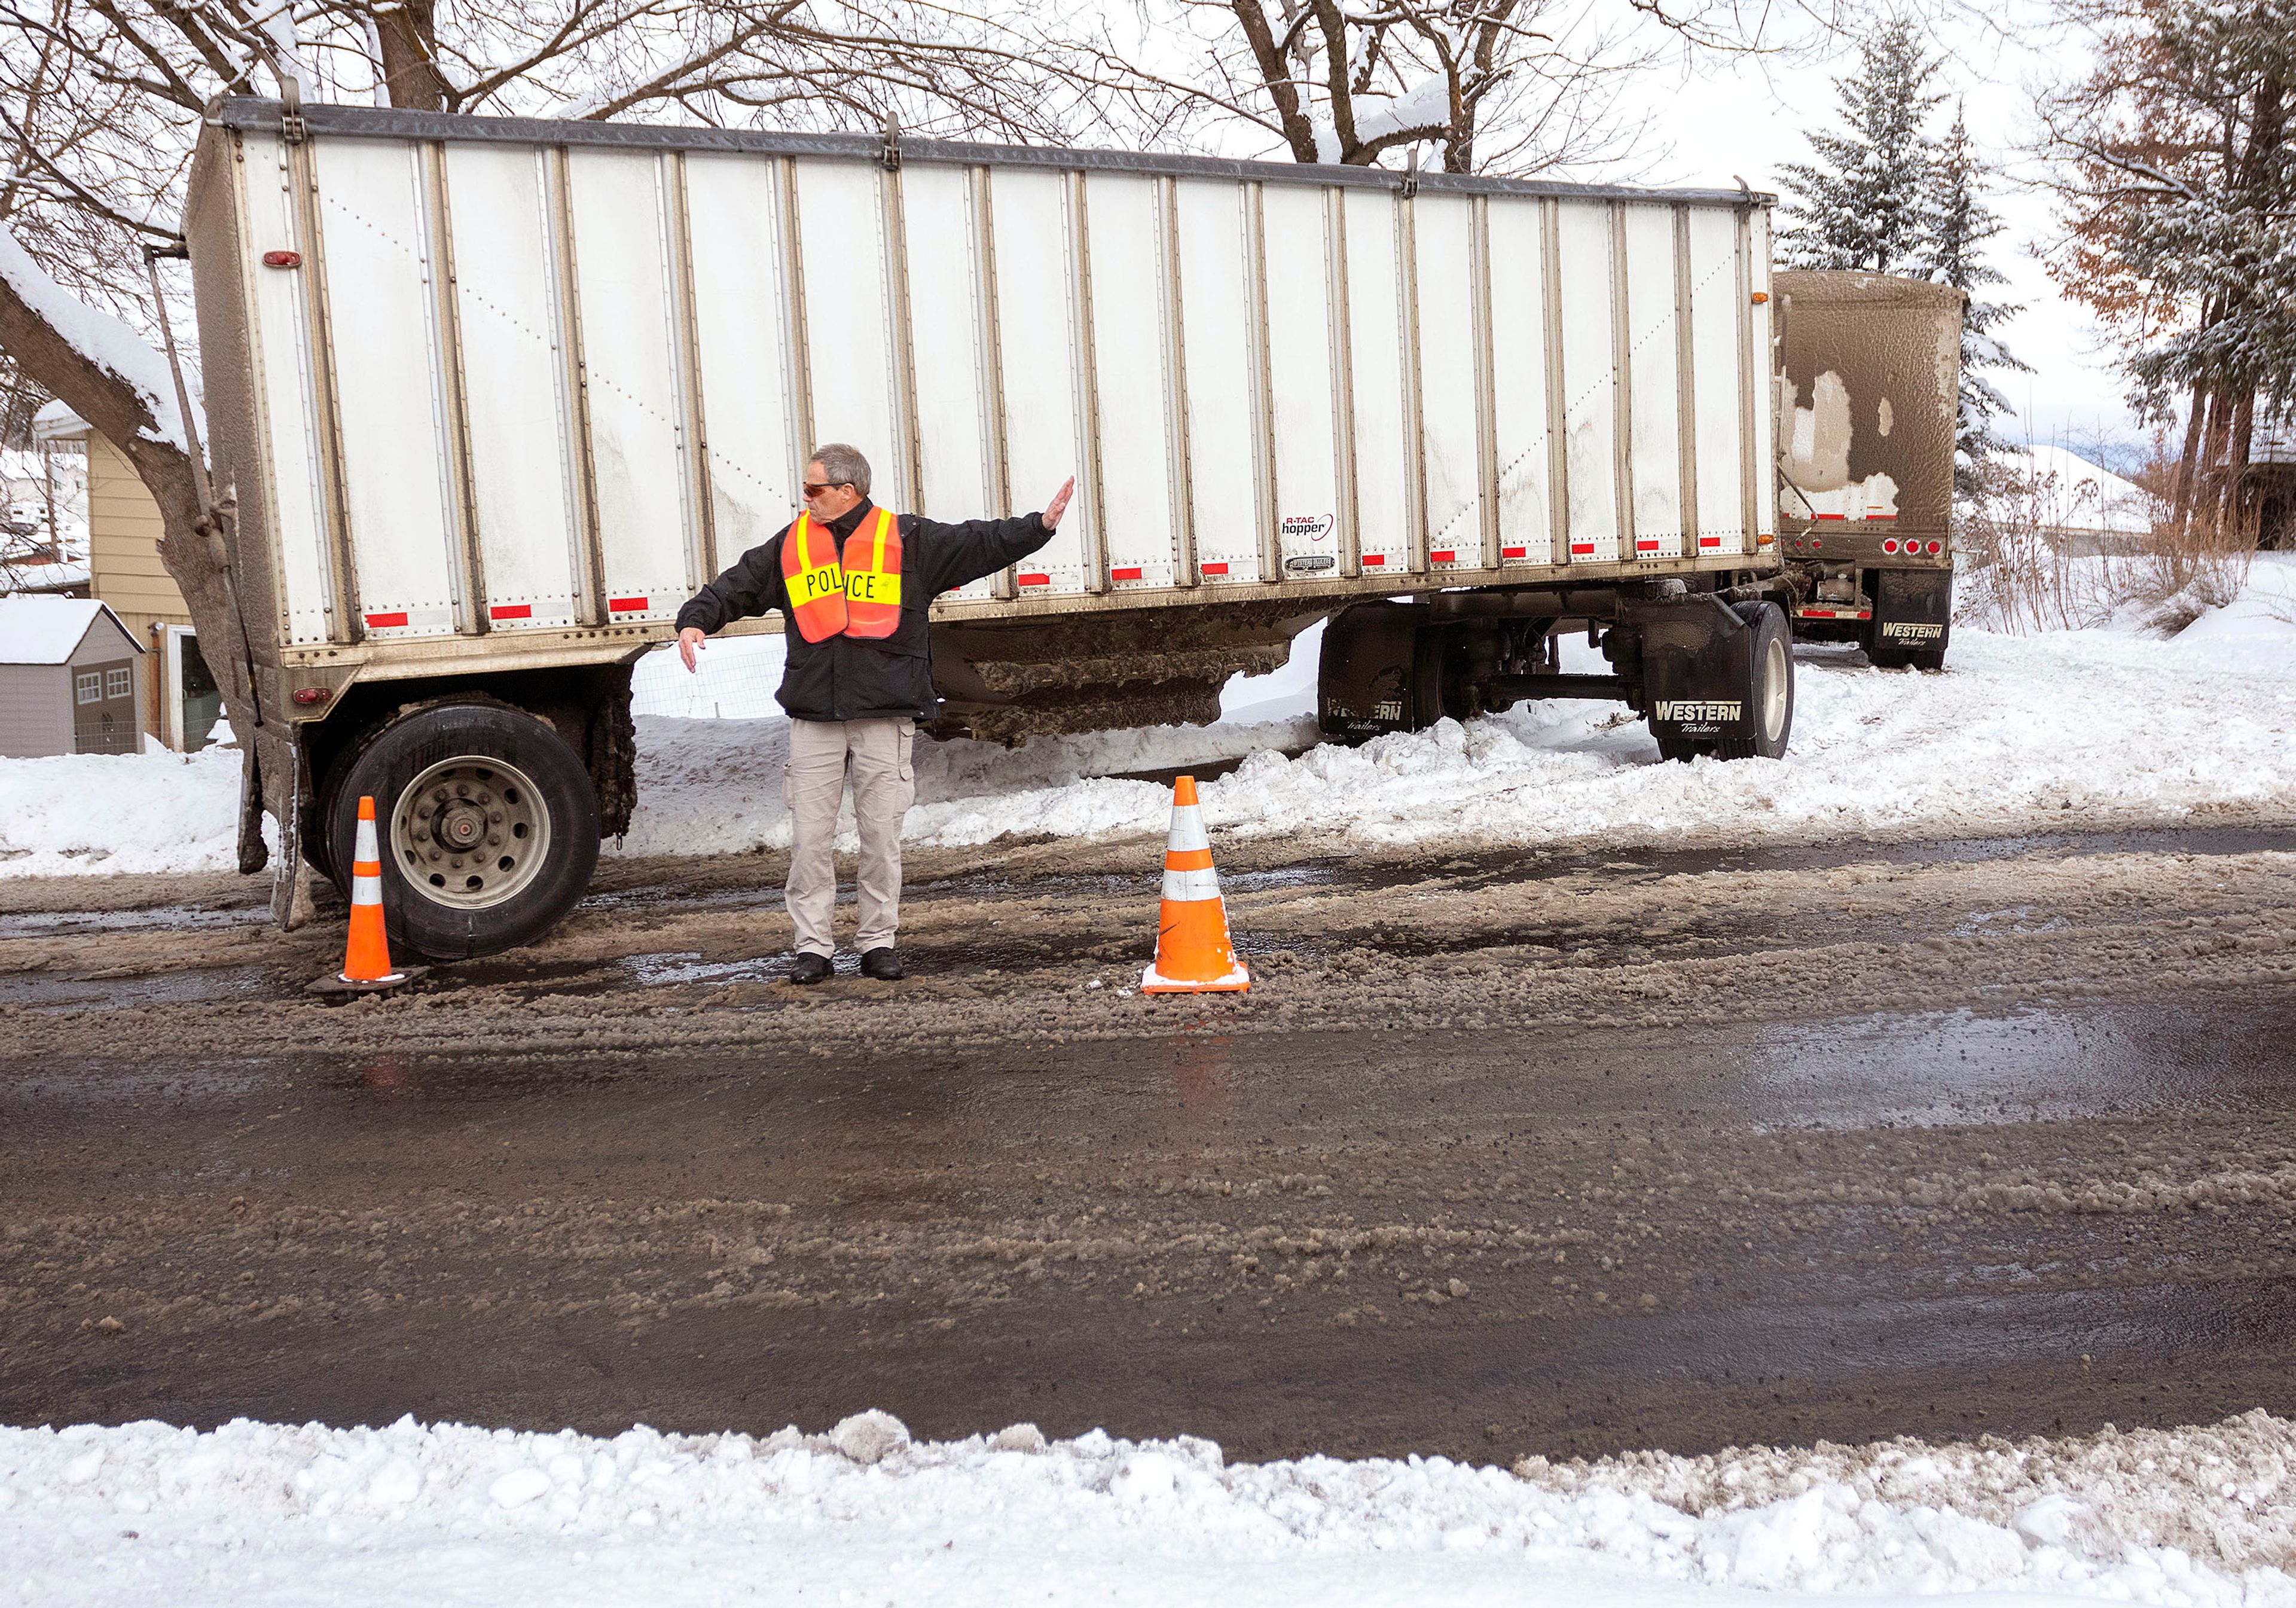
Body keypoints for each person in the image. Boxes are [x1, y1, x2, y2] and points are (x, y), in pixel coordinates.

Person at [675, 443, 1074, 984]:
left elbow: (978, 543)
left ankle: (877, 943)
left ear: (848, 490)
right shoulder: (791, 545)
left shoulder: (910, 540)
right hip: (815, 716)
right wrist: (696, 618)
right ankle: (812, 948)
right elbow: (737, 585)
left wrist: (1039, 526)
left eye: (815, 489)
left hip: (884, 717)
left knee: (880, 837)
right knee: (810, 841)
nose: (806, 498)